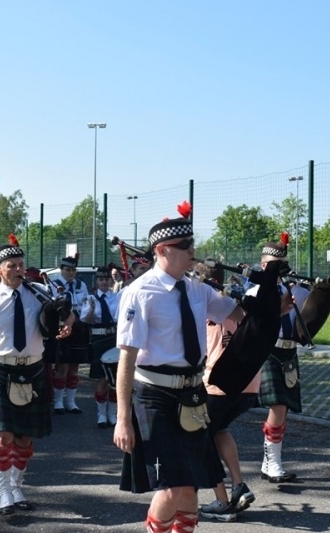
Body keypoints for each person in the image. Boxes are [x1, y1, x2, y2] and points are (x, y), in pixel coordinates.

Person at [113, 202, 245, 533]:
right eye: (185, 246)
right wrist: (122, 420)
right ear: (162, 250)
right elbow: (126, 359)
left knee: (190, 487)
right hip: (154, 396)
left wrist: (273, 301)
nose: (193, 251)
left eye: (192, 244)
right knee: (171, 487)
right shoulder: (139, 293)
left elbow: (240, 318)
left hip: (193, 396)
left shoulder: (199, 289)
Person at [0, 237, 74, 515]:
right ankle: (4, 491)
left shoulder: (39, 292)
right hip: (0, 370)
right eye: (12, 265)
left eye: (21, 265)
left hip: (34, 369)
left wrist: (66, 325)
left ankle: (17, 486)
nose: (18, 270)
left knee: (25, 439)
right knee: (4, 437)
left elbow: (66, 313)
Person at [252, 234, 330, 485]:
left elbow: (316, 306)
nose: (281, 266)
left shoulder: (299, 290)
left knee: (283, 411)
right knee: (278, 406)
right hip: (268, 351)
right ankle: (274, 463)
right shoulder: (255, 290)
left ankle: (269, 462)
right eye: (275, 262)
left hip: (290, 351)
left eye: (283, 262)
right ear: (264, 266)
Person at [196, 260, 261, 522]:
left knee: (201, 439)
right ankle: (238, 486)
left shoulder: (207, 304)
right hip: (249, 385)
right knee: (219, 429)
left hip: (218, 385)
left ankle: (223, 502)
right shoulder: (238, 302)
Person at [49, 255, 89, 415]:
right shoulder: (54, 284)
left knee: (74, 367)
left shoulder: (81, 285)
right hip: (62, 327)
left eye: (73, 270)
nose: (71, 273)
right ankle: (58, 401)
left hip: (79, 328)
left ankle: (71, 401)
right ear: (61, 269)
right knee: (62, 367)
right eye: (67, 270)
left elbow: (85, 304)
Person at [80, 266, 120, 428]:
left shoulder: (117, 297)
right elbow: (86, 321)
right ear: (96, 281)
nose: (104, 282)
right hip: (98, 338)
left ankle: (113, 413)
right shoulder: (91, 299)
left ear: (111, 281)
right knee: (102, 378)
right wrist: (93, 309)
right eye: (101, 279)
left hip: (114, 337)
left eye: (106, 279)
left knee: (116, 379)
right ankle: (101, 413)